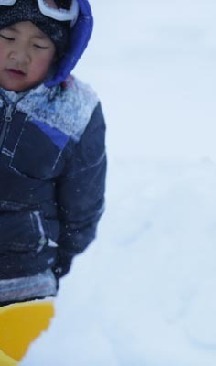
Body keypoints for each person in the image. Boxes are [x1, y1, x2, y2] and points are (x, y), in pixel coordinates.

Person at [0, 0, 105, 362]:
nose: (19, 55)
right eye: (7, 36)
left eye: (39, 45)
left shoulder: (75, 111)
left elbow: (82, 211)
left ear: (61, 52)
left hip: (25, 291)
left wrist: (58, 268)